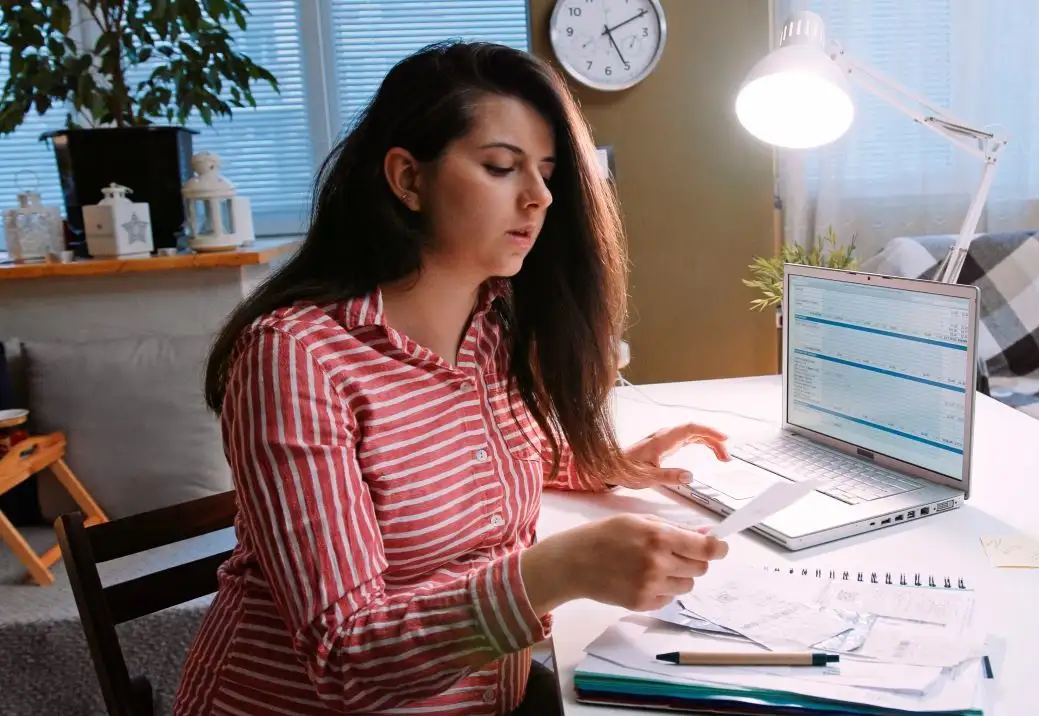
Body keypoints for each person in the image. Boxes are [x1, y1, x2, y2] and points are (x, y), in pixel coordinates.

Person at [172, 41, 733, 716]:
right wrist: (561, 569)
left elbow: (456, 459)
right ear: (409, 179)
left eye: (548, 172)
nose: (539, 197)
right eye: (502, 167)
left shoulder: (489, 323)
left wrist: (601, 463)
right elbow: (346, 656)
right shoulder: (296, 359)